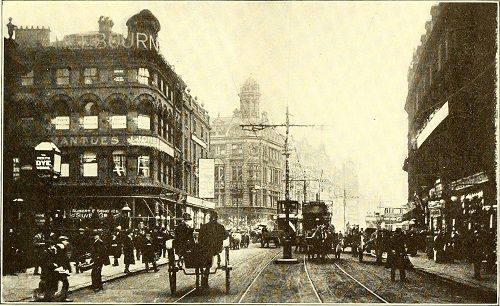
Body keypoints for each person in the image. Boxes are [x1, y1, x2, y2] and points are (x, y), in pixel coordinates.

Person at [198, 211, 227, 290]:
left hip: (205, 249)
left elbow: (199, 239)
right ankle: (206, 276)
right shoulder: (220, 227)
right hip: (216, 249)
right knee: (210, 260)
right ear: (217, 218)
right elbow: (225, 237)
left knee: (205, 263)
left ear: (209, 218)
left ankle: (204, 277)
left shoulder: (204, 227)